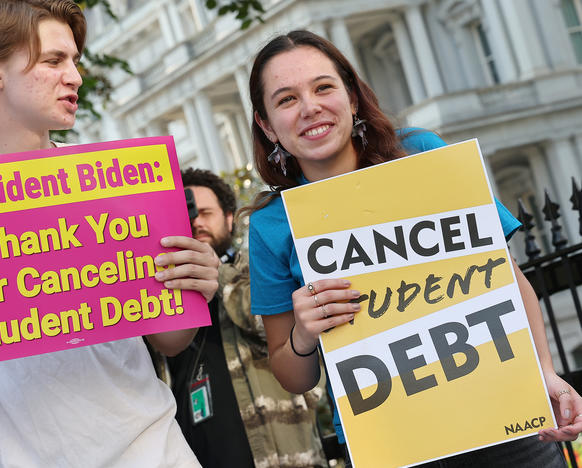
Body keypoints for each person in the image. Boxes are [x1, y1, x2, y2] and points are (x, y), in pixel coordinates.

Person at [0, 1, 219, 466]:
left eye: (75, 60)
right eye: (54, 60)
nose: (75, 76)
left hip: (156, 450)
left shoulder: (118, 179)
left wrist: (195, 285)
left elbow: (171, 340)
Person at [245, 30, 582, 467]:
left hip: (505, 419)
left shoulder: (420, 152)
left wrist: (543, 371)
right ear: (267, 125)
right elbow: (291, 376)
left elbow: (507, 277)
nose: (310, 107)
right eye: (286, 99)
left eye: (323, 87)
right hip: (391, 446)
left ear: (351, 97)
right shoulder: (271, 225)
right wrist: (305, 334)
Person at [149, 167, 328, 468]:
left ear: (229, 218)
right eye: (186, 215)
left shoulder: (258, 270)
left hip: (284, 457)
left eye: (205, 213)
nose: (196, 222)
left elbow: (266, 321)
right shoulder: (162, 294)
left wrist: (214, 272)